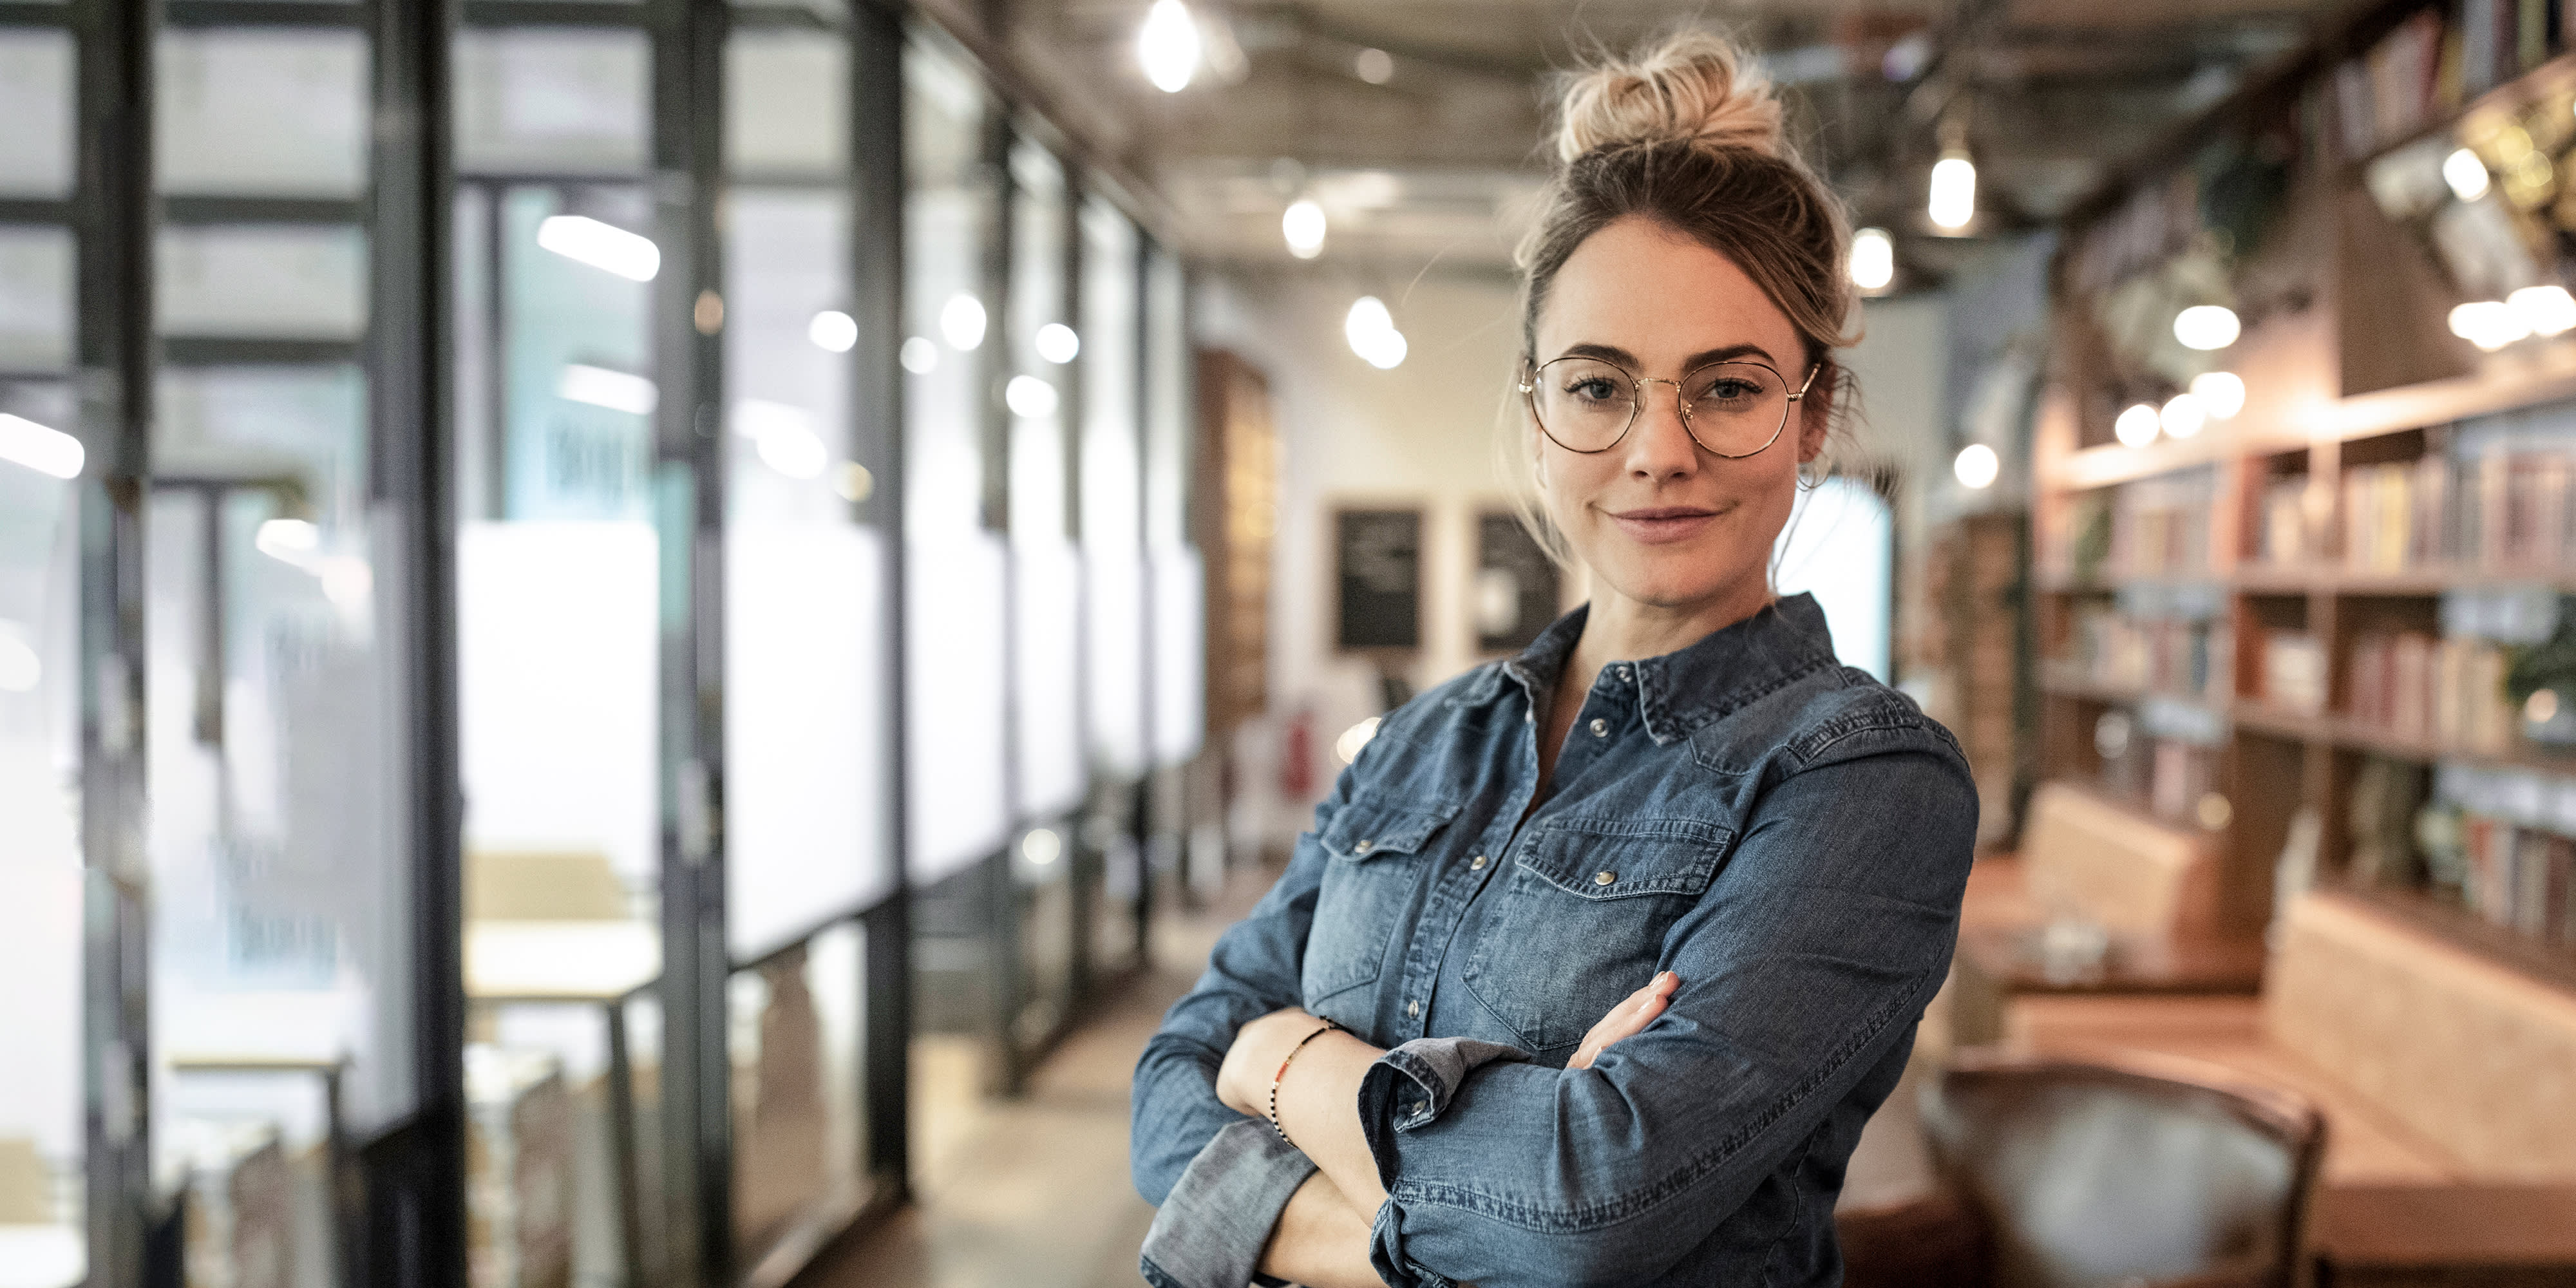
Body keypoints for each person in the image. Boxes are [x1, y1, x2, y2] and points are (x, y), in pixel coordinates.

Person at [1130, 28, 1977, 1288]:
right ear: (1535, 415)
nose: (1657, 449)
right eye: (1597, 388)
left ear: (1810, 415)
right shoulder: (1426, 743)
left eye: (1726, 389)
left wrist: (1286, 1064)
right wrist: (1478, 1193)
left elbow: (1582, 1211)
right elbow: (1169, 1086)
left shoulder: (1862, 781)